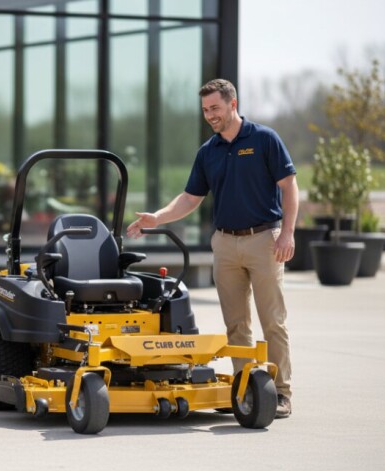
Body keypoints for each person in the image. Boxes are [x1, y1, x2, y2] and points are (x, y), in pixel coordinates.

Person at [125, 79, 298, 419]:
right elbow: (190, 198)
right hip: (225, 244)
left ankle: (280, 392)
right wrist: (156, 218)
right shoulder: (208, 152)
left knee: (272, 322)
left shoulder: (264, 139)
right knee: (236, 325)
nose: (210, 116)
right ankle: (248, 387)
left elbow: (290, 187)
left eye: (215, 108)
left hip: (265, 240)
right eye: (205, 110)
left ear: (233, 104)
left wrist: (287, 234)